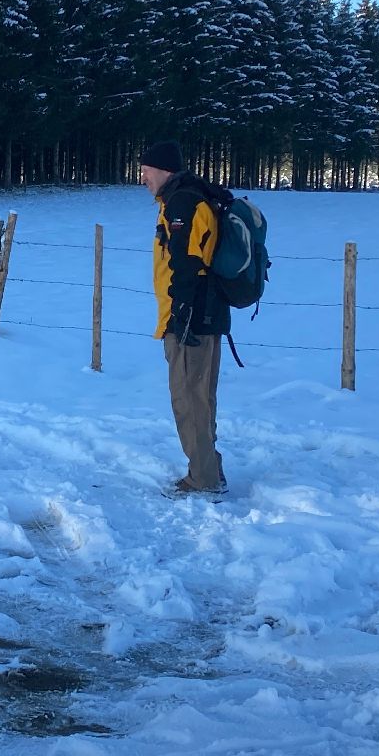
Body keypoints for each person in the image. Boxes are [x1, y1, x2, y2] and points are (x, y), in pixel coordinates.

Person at [139, 140, 231, 495]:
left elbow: (187, 263)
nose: (143, 178)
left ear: (164, 170)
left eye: (146, 171)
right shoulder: (186, 198)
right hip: (202, 314)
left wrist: (182, 312)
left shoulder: (183, 203)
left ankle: (203, 479)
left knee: (188, 399)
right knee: (199, 397)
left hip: (191, 318)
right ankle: (209, 469)